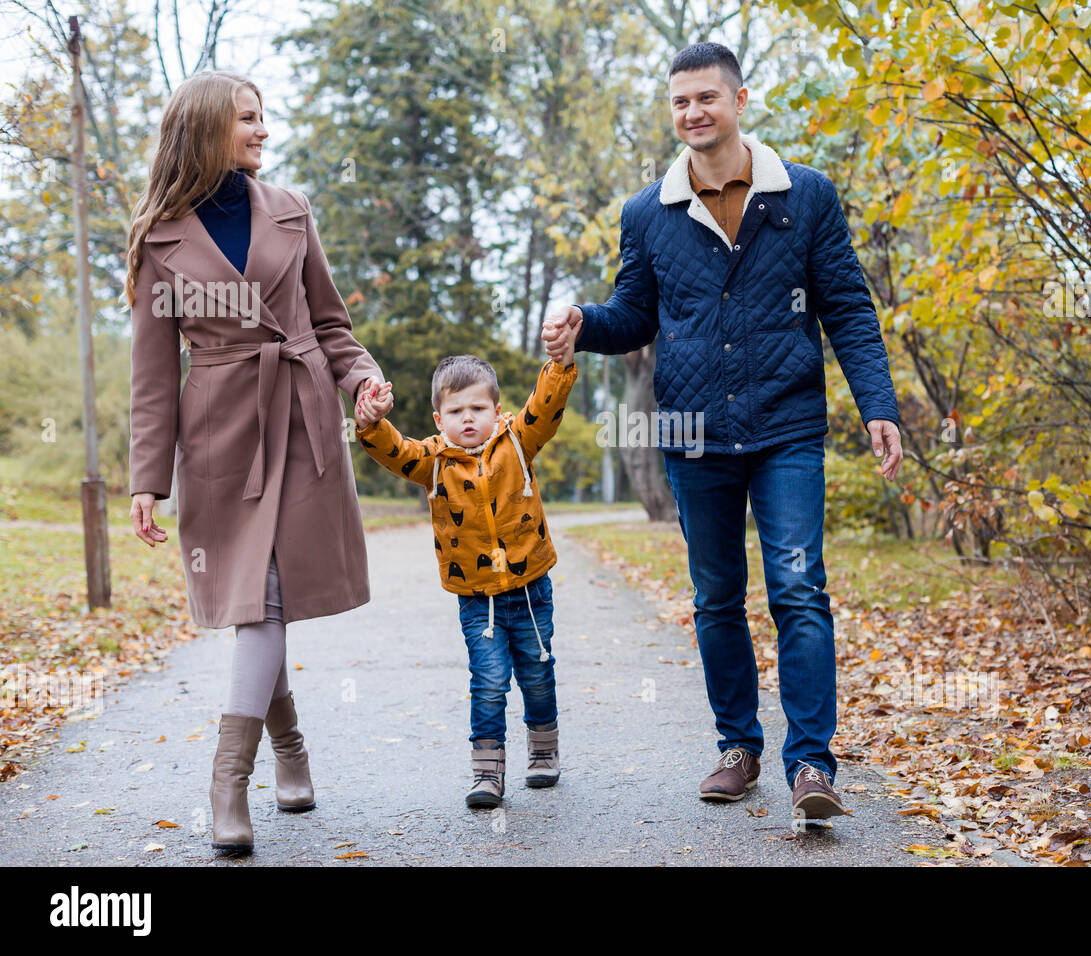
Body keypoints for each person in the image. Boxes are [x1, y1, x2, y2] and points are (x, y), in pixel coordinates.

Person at [542, 42, 903, 820]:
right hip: (693, 432)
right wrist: (583, 325)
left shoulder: (804, 196)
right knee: (715, 598)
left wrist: (879, 404)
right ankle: (738, 747)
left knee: (800, 590)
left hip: (788, 427)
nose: (692, 113)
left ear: (742, 100)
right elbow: (636, 313)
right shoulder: (649, 213)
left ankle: (811, 765)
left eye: (706, 98)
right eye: (679, 102)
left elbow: (846, 307)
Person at [125, 70, 391, 855]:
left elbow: (331, 322)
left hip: (304, 419)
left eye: (263, 118)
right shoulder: (158, 239)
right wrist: (148, 480)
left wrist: (362, 378)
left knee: (268, 599)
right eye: (247, 119)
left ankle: (227, 780)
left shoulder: (291, 211)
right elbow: (151, 374)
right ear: (208, 129)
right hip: (220, 434)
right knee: (255, 599)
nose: (262, 131)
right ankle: (289, 751)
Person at [353, 322, 581, 808]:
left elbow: (545, 409)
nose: (469, 418)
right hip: (477, 597)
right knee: (489, 679)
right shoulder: (434, 461)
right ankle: (487, 771)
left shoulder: (518, 440)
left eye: (478, 408)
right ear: (439, 420)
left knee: (538, 674)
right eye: (456, 411)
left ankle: (543, 749)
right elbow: (397, 452)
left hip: (528, 589)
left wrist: (560, 365)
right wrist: (372, 423)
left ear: (497, 411)